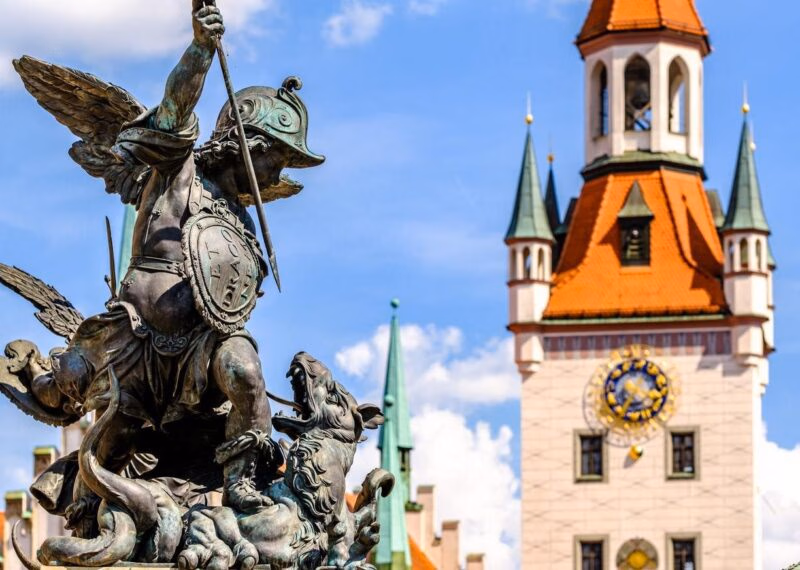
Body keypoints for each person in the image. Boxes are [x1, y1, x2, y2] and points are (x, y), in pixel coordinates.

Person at [11, 0, 324, 527]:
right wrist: (201, 51)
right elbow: (176, 109)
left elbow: (229, 299)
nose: (277, 171)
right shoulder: (177, 170)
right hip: (138, 339)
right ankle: (51, 402)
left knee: (244, 369)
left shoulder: (239, 220)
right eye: (276, 155)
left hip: (202, 350)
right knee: (111, 442)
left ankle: (243, 483)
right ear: (244, 144)